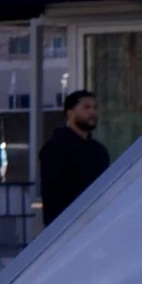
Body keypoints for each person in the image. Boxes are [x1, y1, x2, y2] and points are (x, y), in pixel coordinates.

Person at [39, 88, 111, 223]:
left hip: (97, 221)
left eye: (95, 108)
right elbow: (54, 195)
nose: (92, 112)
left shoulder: (99, 151)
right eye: (86, 107)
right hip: (67, 224)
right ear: (70, 113)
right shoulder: (55, 149)